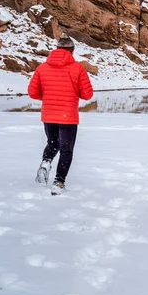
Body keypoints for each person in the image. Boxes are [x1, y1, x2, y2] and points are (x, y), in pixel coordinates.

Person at [28, 34, 94, 195]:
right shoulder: (77, 68)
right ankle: (58, 182)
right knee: (66, 149)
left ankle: (46, 162)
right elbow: (87, 95)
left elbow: (32, 93)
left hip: (49, 115)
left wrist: (49, 97)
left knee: (53, 143)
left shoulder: (42, 68)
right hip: (68, 116)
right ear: (72, 50)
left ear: (56, 49)